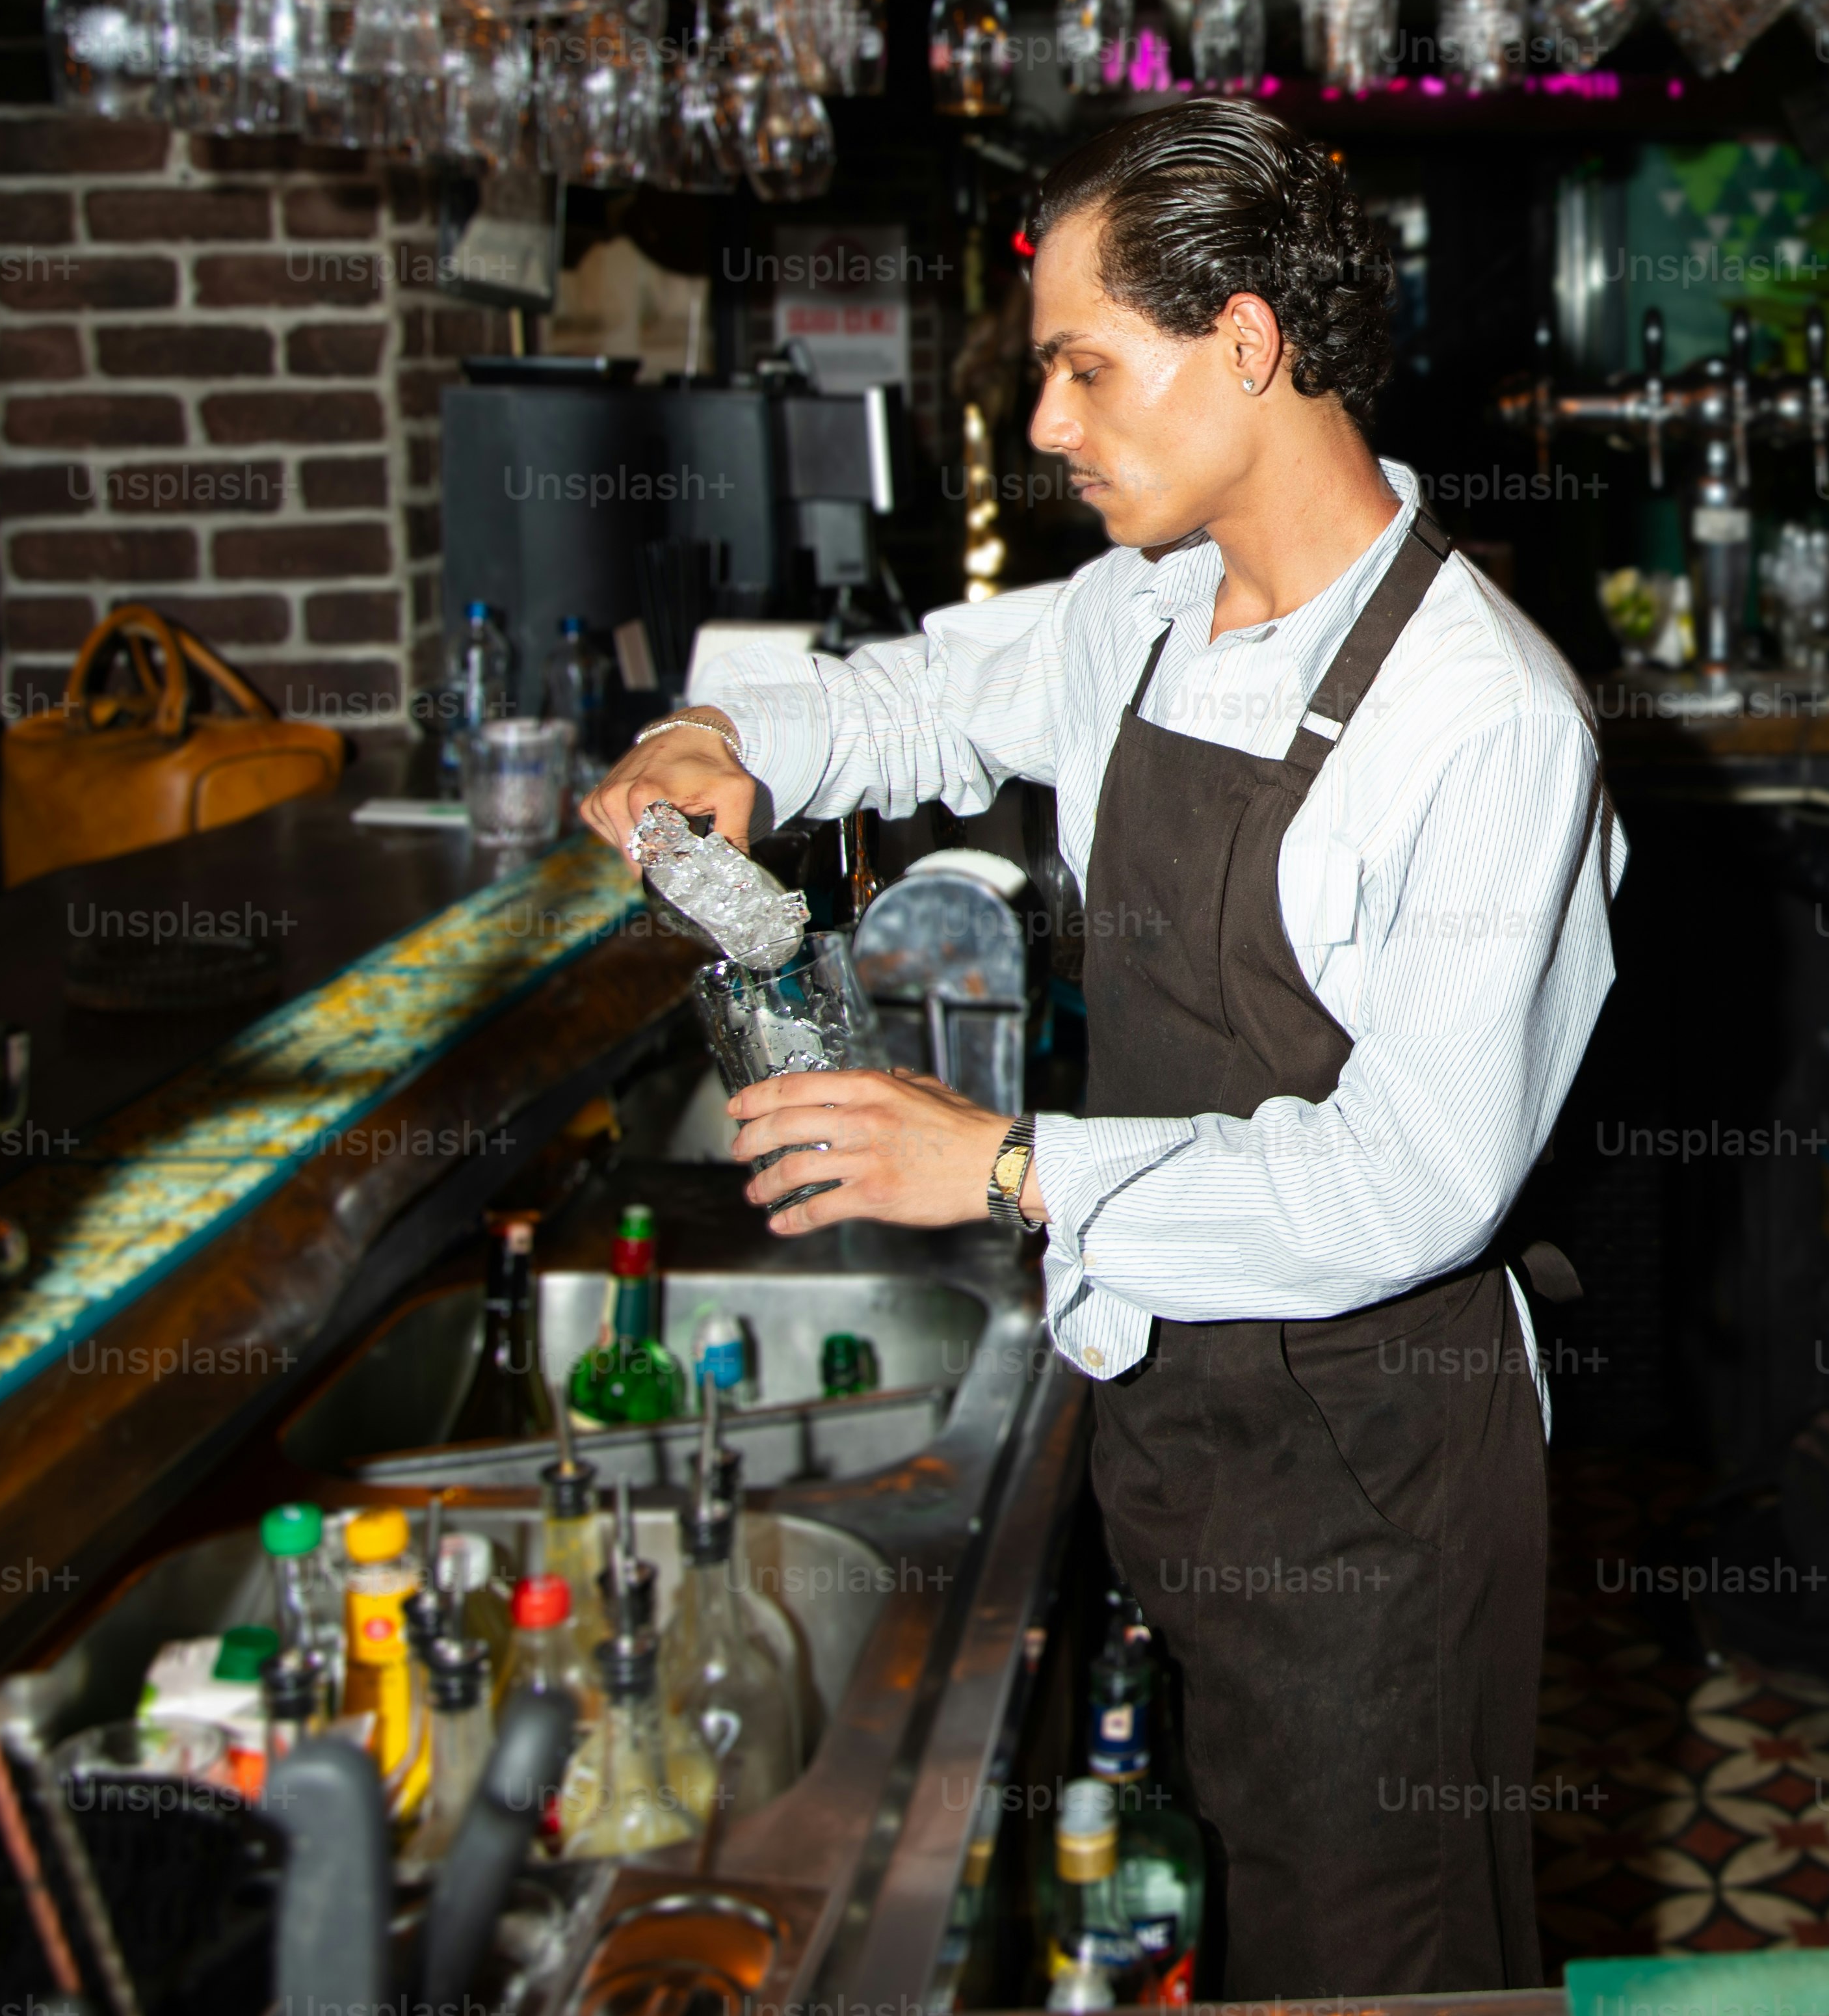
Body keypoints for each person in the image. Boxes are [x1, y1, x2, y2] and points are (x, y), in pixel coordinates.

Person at [579, 98, 1617, 1995]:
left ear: (1246, 341)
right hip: (1182, 1431)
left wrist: (999, 1165)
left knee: (1375, 1966)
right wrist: (732, 747)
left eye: (1082, 366)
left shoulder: (1488, 724)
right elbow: (919, 700)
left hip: (1375, 1483)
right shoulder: (1146, 614)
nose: (1046, 425)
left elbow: (1411, 1177)